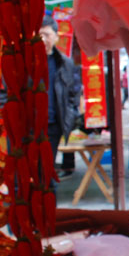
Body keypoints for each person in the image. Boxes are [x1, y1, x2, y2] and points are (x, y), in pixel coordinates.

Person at [40, 15, 81, 169]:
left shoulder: (65, 64)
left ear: (56, 37)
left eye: (46, 35)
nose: (42, 39)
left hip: (53, 125)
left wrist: (70, 116)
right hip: (30, 126)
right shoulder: (26, 62)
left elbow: (74, 93)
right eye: (39, 35)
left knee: (47, 168)